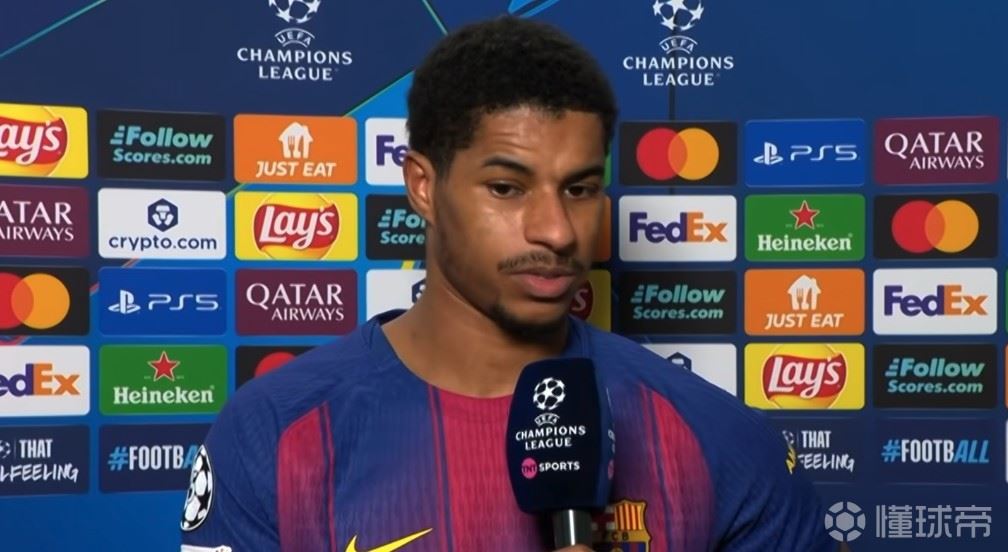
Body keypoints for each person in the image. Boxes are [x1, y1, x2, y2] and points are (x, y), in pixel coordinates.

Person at [179, 15, 841, 552]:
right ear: (423, 186)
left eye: (579, 189)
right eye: (506, 188)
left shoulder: (714, 434)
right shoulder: (277, 434)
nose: (556, 230)